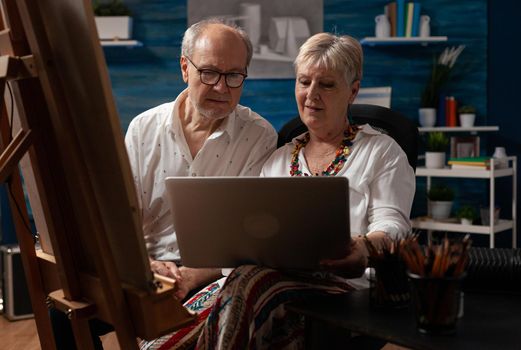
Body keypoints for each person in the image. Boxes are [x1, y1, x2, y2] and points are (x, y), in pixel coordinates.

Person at [141, 32, 415, 349]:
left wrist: (364, 248)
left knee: (247, 282)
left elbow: (393, 227)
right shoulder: (277, 159)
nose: (311, 95)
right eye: (304, 82)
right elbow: (242, 245)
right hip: (267, 286)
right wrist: (190, 276)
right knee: (189, 314)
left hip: (343, 293)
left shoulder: (382, 152)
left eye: (326, 84)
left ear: (352, 91)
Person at [50, 18, 277, 349]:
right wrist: (145, 266)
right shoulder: (144, 128)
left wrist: (193, 276)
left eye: (234, 76)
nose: (222, 88)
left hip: (213, 276)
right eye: (210, 72)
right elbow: (122, 218)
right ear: (185, 68)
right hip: (148, 271)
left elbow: (249, 236)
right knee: (63, 311)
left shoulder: (259, 136)